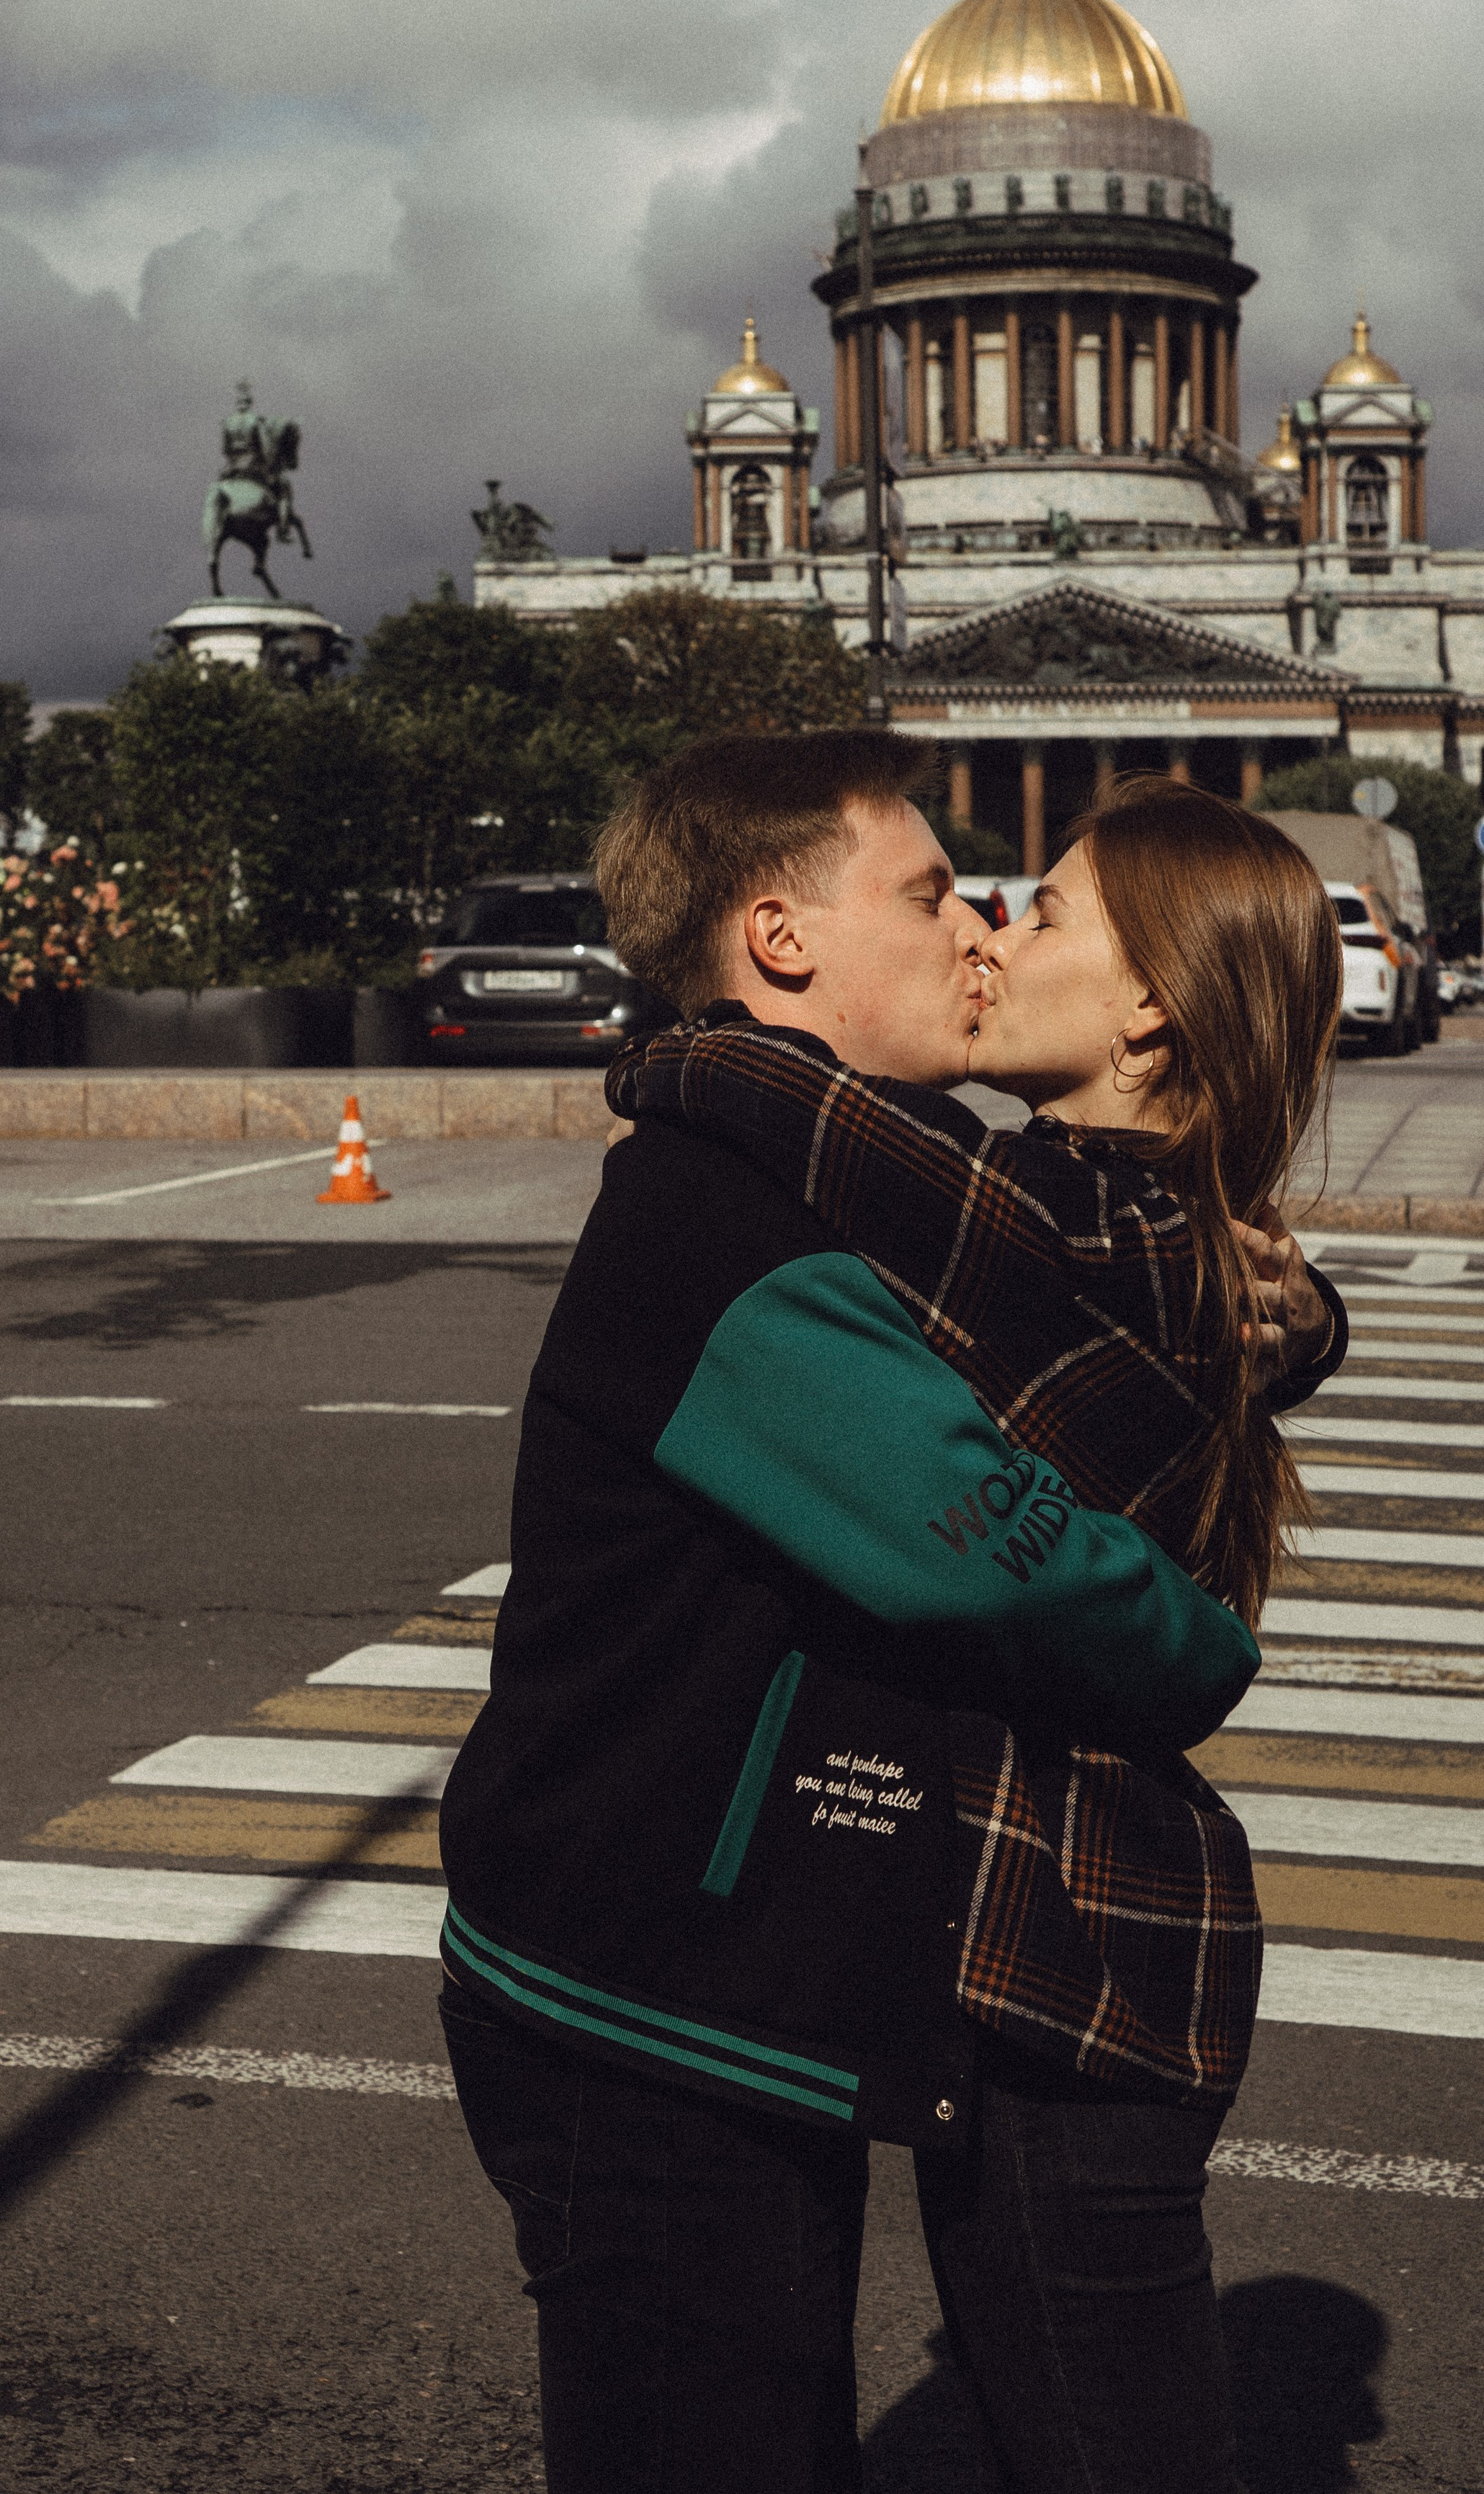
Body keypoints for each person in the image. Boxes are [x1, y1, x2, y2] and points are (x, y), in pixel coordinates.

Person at [439, 732, 1344, 2494]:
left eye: (1012, 903)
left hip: (752, 1971)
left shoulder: (885, 1179)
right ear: (781, 941)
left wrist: (1287, 1319)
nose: (976, 930)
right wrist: (1201, 1648)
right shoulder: (741, 1210)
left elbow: (1097, 1266)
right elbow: (984, 1537)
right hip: (643, 1983)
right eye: (933, 894)